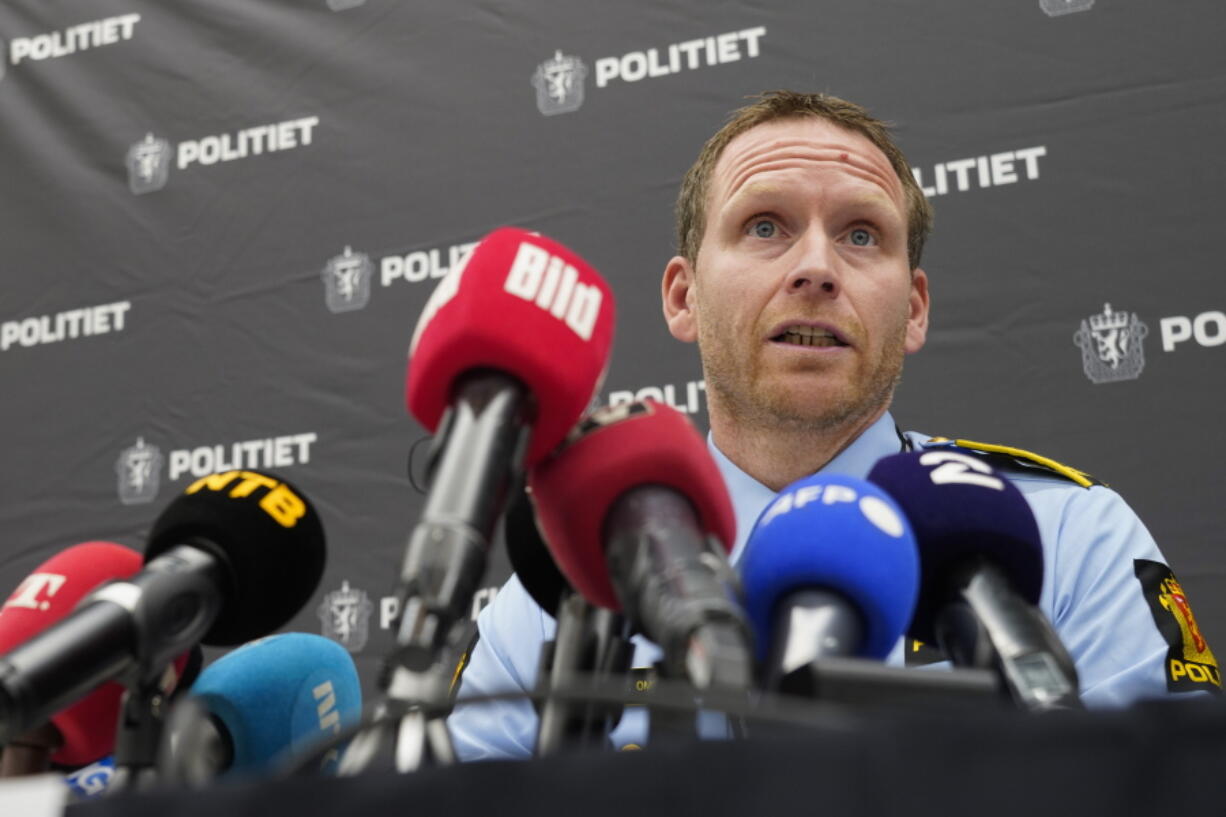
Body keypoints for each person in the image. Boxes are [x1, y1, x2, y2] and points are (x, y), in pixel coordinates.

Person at [446, 90, 1219, 760]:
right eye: (764, 226)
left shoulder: (1071, 537)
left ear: (913, 308)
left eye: (860, 235)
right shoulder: (561, 589)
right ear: (683, 297)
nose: (816, 268)